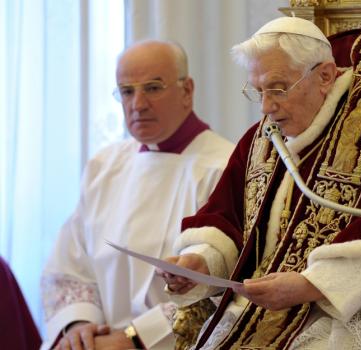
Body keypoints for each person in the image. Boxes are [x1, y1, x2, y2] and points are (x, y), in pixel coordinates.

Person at [161, 17, 361, 349]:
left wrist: (312, 284)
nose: (266, 106)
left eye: (277, 88)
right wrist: (201, 259)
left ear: (324, 76)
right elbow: (228, 218)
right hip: (256, 311)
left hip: (338, 314)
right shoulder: (262, 138)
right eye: (258, 91)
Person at [41, 40, 234, 350]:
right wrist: (80, 326)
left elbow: (220, 285)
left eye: (153, 88)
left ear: (187, 90)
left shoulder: (224, 168)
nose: (138, 104)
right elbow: (69, 266)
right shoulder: (104, 166)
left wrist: (134, 340)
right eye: (127, 91)